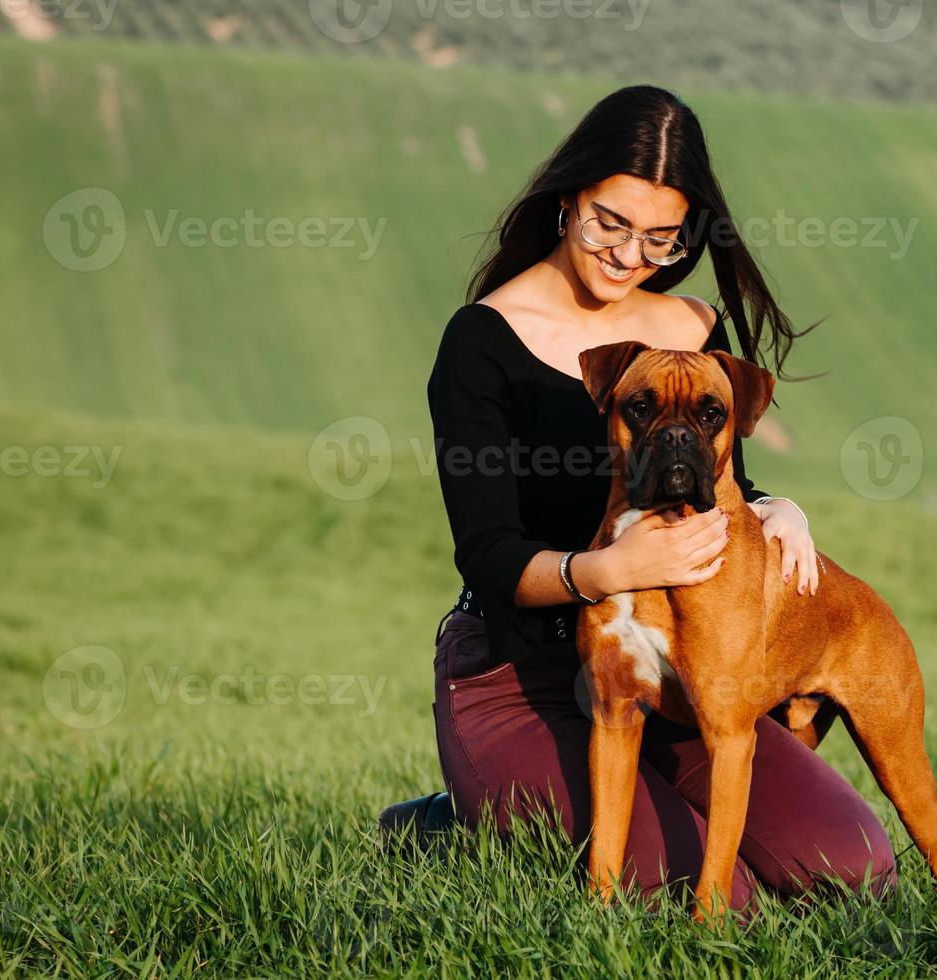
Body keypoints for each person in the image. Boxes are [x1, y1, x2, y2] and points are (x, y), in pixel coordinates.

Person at [380, 85, 896, 911]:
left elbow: (719, 481)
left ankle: (667, 798)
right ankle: (448, 821)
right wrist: (612, 568)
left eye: (660, 236)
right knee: (679, 892)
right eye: (608, 223)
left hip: (687, 673)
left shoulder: (691, 325)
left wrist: (778, 508)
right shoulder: (481, 341)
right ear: (565, 200)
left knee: (851, 870)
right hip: (529, 671)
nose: (628, 256)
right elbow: (489, 552)